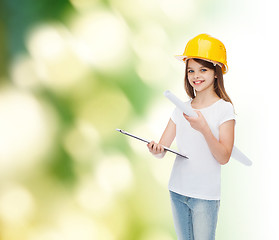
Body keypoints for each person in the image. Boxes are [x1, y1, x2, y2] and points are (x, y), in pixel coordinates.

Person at [147, 34, 235, 240]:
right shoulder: (181, 108)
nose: (196, 75)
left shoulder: (224, 109)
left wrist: (204, 128)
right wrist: (156, 149)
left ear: (216, 71)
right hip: (177, 190)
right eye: (191, 70)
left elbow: (224, 157)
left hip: (205, 197)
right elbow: (163, 148)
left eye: (203, 69)